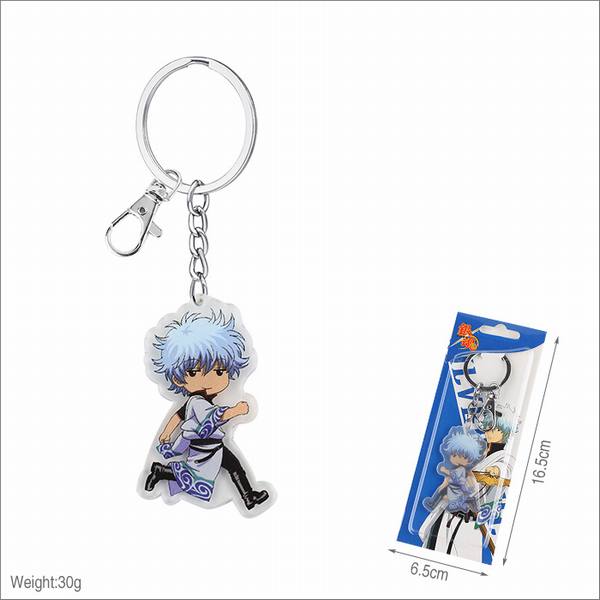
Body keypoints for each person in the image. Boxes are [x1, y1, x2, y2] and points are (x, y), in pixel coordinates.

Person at [143, 311, 269, 510]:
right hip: (204, 447)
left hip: (214, 444)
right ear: (178, 379)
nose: (210, 379)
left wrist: (166, 433)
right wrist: (236, 410)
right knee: (198, 475)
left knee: (233, 466)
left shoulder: (196, 402)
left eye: (219, 371)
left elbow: (178, 416)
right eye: (194, 372)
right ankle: (161, 472)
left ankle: (248, 497)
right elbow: (215, 416)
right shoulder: (197, 402)